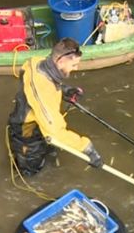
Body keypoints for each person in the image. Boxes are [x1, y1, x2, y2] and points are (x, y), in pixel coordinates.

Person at [7, 38, 103, 176]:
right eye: (74, 64)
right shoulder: (42, 89)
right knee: (32, 170)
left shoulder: (36, 62)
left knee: (50, 151)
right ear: (61, 61)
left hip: (39, 125)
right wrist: (86, 148)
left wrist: (64, 90)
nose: (76, 68)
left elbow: (38, 81)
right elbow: (54, 131)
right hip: (28, 136)